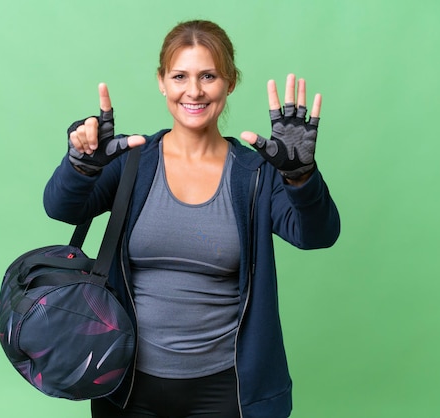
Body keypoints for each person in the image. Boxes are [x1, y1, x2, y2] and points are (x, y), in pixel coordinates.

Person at [44, 19, 340, 418]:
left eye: (209, 76)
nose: (194, 90)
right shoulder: (132, 160)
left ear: (230, 82)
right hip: (127, 383)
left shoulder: (255, 173)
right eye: (180, 75)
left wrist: (300, 176)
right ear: (162, 82)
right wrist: (80, 167)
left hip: (226, 388)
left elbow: (316, 234)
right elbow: (61, 209)